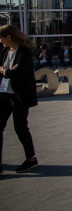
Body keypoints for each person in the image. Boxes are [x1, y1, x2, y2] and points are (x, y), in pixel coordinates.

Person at [0, 25, 39, 174]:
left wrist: (5, 70)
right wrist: (8, 71)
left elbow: (18, 73)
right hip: (4, 94)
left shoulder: (24, 52)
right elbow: (9, 72)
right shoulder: (4, 51)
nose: (1, 41)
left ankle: (31, 159)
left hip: (19, 96)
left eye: (2, 38)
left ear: (9, 37)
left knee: (20, 128)